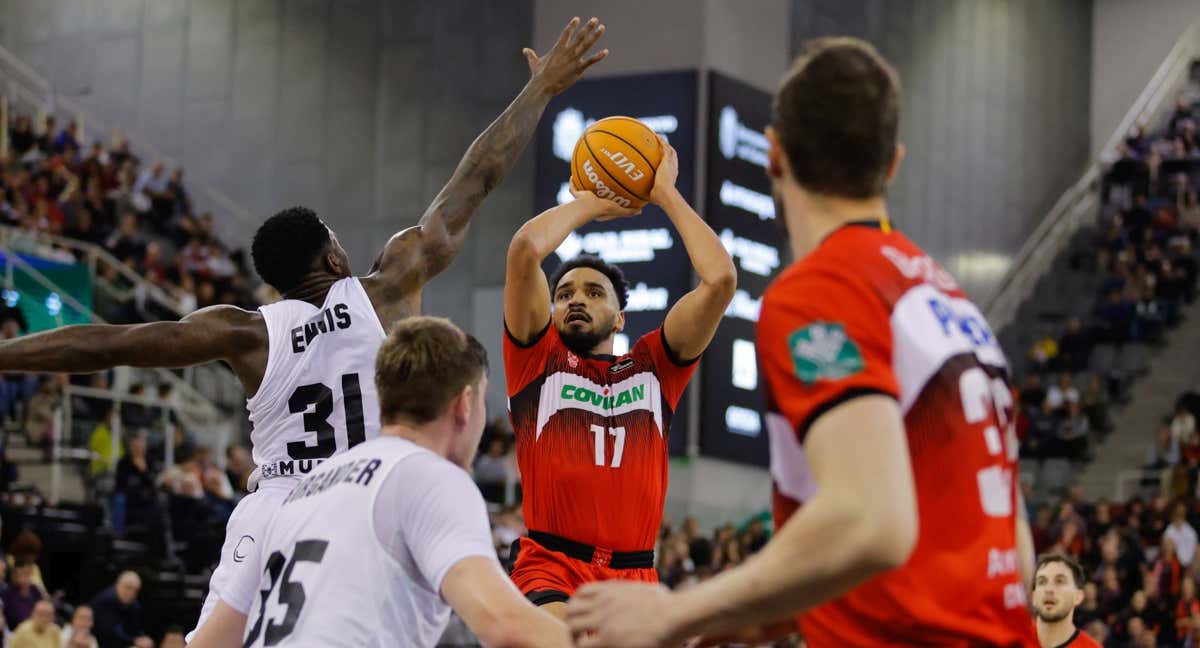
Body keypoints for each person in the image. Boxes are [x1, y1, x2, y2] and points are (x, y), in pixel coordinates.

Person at [0, 15, 609, 644]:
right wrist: (541, 90)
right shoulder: (391, 285)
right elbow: (474, 181)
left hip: (273, 508)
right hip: (369, 494)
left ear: (274, 284)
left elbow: (109, 342)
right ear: (335, 260)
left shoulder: (247, 333)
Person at [566, 37, 1037, 647]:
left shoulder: (825, 289)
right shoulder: (949, 301)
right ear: (892, 163)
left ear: (774, 155)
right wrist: (713, 624)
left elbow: (871, 524)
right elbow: (1013, 553)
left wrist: (672, 613)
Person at [190, 317, 570, 648]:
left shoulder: (301, 493)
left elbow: (210, 641)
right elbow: (503, 625)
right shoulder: (429, 476)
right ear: (465, 404)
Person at [502, 132, 735, 617]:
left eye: (593, 292)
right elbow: (525, 249)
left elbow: (721, 280)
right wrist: (589, 202)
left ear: (620, 316)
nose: (576, 300)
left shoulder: (655, 367)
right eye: (564, 293)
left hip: (637, 577)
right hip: (552, 566)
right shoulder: (535, 359)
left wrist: (665, 194)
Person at [88, 571, 151, 648]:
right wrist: (134, 640)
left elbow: (136, 627)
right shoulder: (106, 600)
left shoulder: (134, 604)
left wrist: (142, 638)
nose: (131, 593)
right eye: (128, 587)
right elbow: (109, 632)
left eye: (135, 591)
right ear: (117, 584)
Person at [3, 560, 47, 630]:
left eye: (27, 574)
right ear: (14, 576)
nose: (24, 579)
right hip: (18, 631)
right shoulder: (9, 592)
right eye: (20, 575)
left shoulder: (35, 590)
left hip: (37, 628)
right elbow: (17, 619)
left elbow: (44, 610)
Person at [1165, 502, 1199, 568]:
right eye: (1179, 512)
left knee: (1198, 549)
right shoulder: (1170, 528)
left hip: (1191, 557)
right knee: (1169, 546)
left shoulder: (1188, 527)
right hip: (1175, 556)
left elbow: (1194, 541)